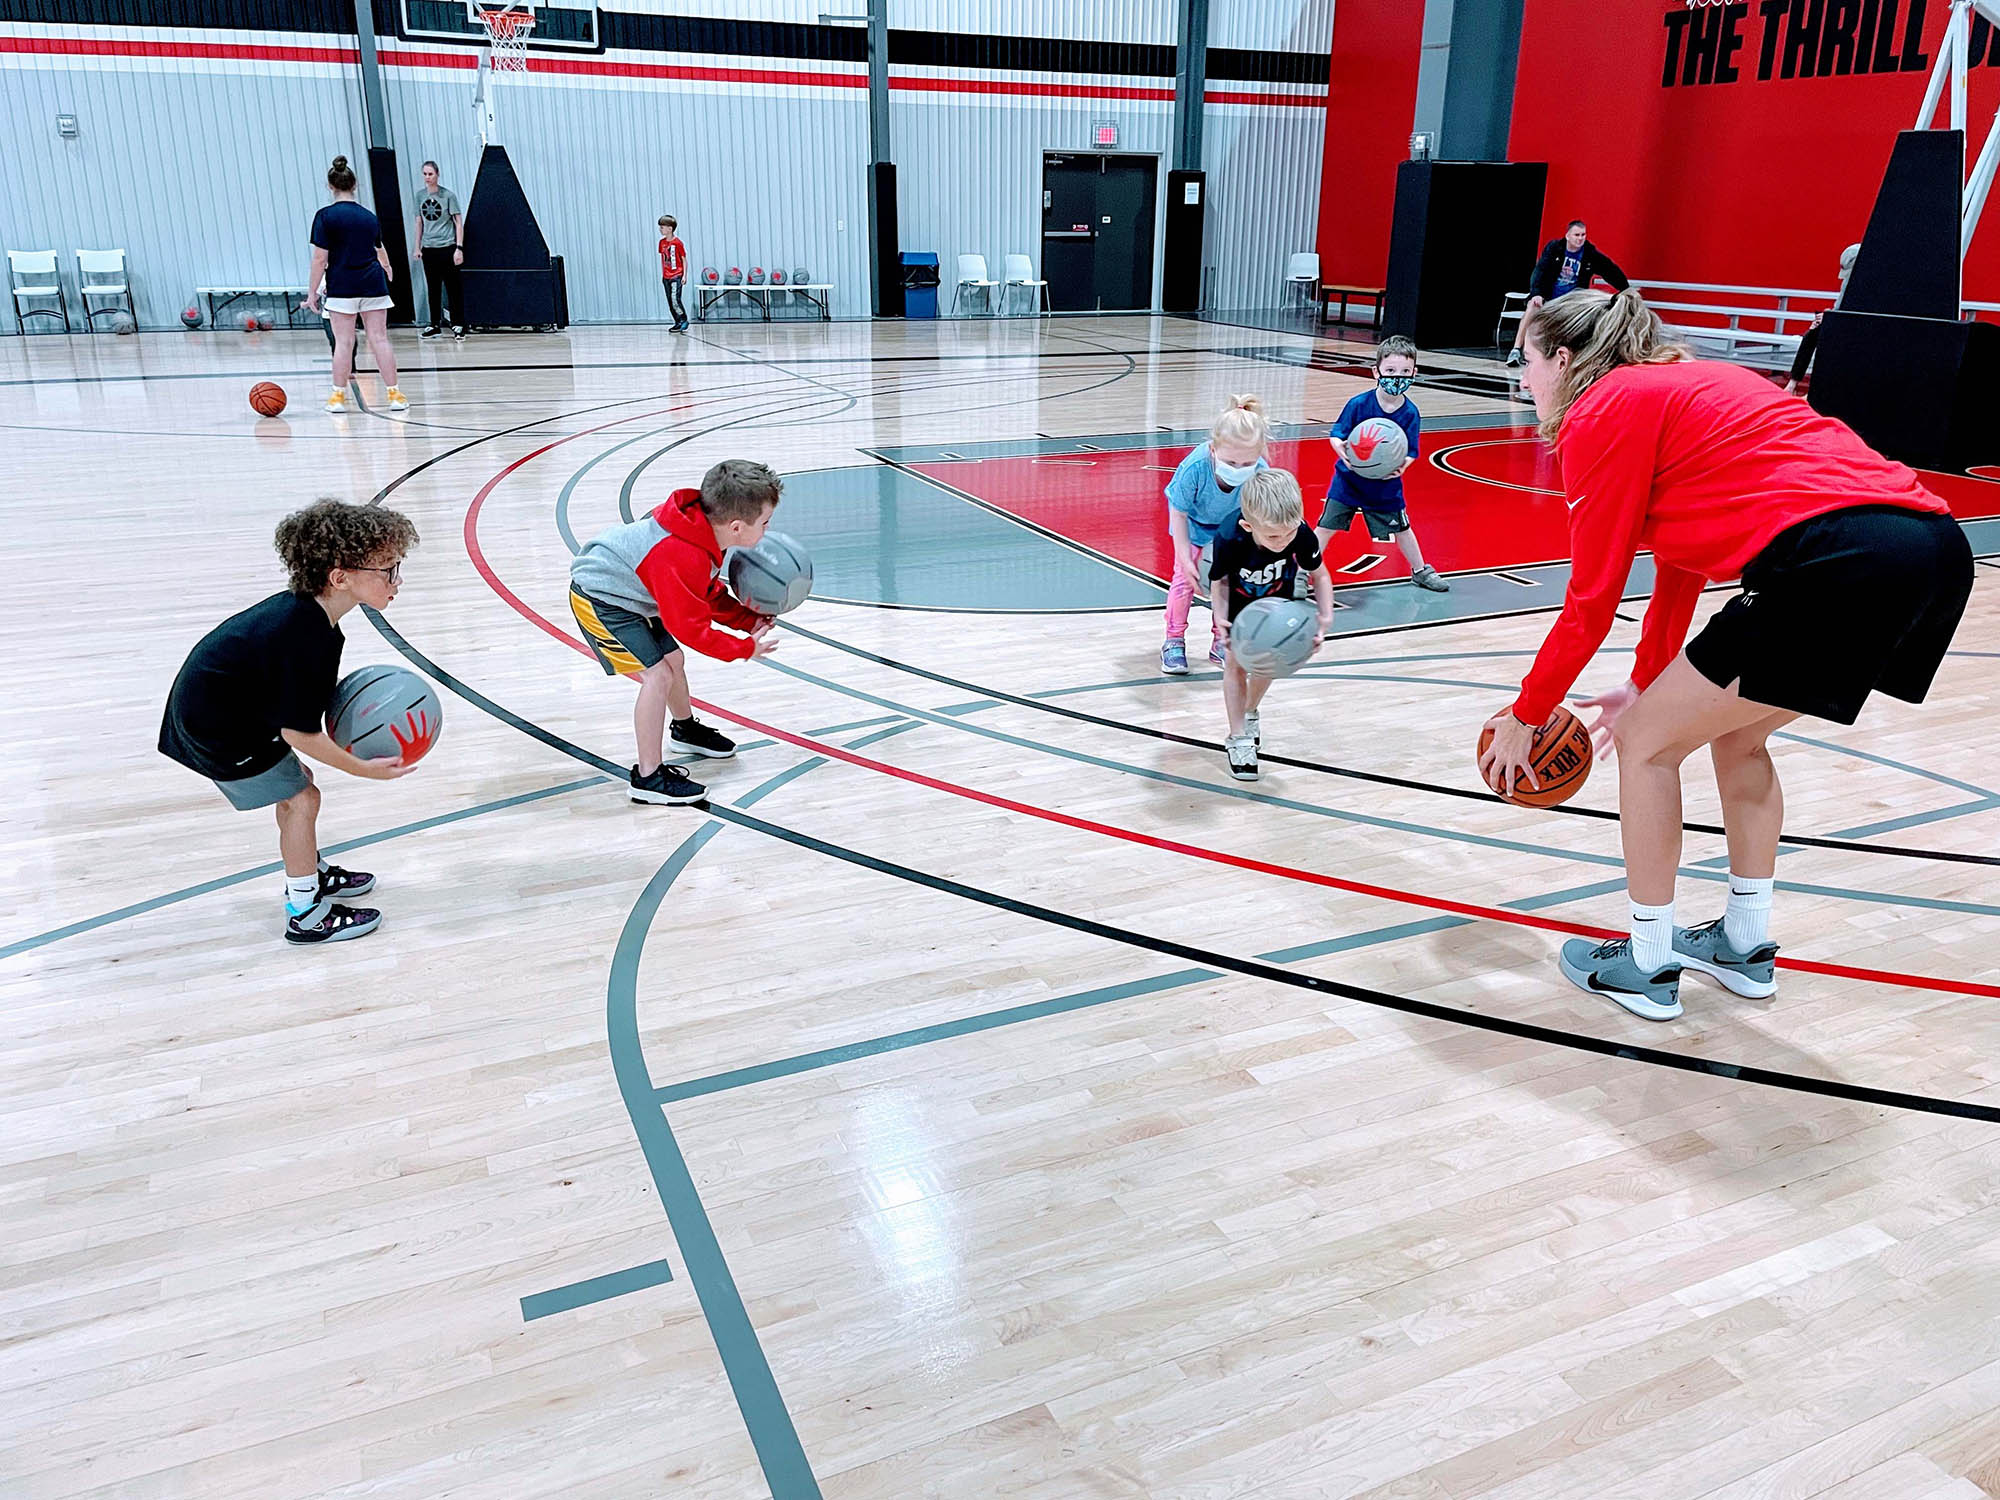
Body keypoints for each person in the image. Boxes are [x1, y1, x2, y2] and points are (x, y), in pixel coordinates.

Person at [1479, 289, 1972, 1021]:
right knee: (1737, 736)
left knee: (1646, 748)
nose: (1522, 379)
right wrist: (1645, 683)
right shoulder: (1687, 384)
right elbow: (1679, 565)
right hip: (1932, 550)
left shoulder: (1601, 409)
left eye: (1525, 360)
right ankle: (1743, 944)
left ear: (1564, 358)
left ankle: (1648, 961)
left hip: (1839, 556)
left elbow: (1591, 600)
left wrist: (1529, 713)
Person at [159, 500, 421, 945]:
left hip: (235, 713)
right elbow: (300, 732)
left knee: (300, 784)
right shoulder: (303, 635)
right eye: (388, 570)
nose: (397, 580)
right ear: (340, 577)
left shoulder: (312, 618)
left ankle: (309, 872)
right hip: (219, 729)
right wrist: (364, 769)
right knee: (302, 799)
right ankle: (306, 912)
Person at [568, 458, 781, 805]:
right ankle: (648, 777)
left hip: (634, 595)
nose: (767, 530)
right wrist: (743, 648)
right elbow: (691, 628)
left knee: (673, 661)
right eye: (765, 523)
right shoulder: (681, 553)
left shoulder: (702, 530)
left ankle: (684, 730)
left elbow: (705, 593)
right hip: (601, 599)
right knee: (658, 675)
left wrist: (747, 620)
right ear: (737, 526)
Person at [1209, 469, 1335, 781]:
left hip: (1279, 606)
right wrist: (1220, 617)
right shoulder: (1229, 537)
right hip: (1240, 607)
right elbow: (1220, 581)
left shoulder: (1300, 532)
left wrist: (1325, 617)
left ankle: (1250, 710)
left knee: (1269, 665)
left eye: (1290, 533)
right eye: (1274, 537)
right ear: (1248, 526)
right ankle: (1238, 737)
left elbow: (1320, 576)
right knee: (1235, 665)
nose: (1284, 541)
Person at [1318, 335, 1449, 592]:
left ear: (1414, 373)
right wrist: (1340, 449)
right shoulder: (1358, 404)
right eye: (1390, 371)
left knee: (1402, 528)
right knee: (1325, 527)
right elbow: (1337, 434)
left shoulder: (1410, 413)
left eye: (1405, 372)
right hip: (1348, 481)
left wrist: (1403, 465)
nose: (1397, 377)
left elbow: (1411, 451)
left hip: (1385, 485)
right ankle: (1302, 570)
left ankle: (1420, 571)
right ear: (1376, 372)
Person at [1162, 394, 1270, 675]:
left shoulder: (1261, 471)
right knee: (1184, 581)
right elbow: (1179, 512)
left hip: (1233, 528)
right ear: (1213, 449)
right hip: (1193, 525)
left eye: (1246, 463)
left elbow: (1263, 512)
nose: (1238, 469)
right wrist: (1185, 557)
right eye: (1231, 462)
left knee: (1232, 583)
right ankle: (1174, 640)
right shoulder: (1195, 467)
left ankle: (1221, 641)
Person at [304, 155, 406, 414]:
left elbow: (320, 259)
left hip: (342, 285)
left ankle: (338, 398)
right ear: (355, 185)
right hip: (372, 283)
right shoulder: (368, 216)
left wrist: (312, 292)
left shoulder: (325, 217)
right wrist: (387, 267)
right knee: (379, 339)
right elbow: (379, 248)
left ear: (330, 186)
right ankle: (395, 395)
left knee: (344, 343)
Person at [1507, 219, 1629, 366]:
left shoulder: (1589, 253)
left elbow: (1610, 270)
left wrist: (1625, 289)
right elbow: (1540, 271)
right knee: (1533, 306)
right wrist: (1537, 293)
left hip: (1572, 301)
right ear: (1568, 236)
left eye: (1583, 235)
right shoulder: (1554, 249)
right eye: (1577, 235)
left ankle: (1583, 357)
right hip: (1549, 297)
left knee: (1590, 315)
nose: (1580, 238)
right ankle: (1516, 350)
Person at [1783, 243, 1861, 394]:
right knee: (1812, 334)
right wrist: (1827, 316)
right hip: (1842, 322)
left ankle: (1817, 390)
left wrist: (1830, 317)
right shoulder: (1847, 282)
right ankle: (1792, 385)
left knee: (1829, 342)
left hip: (1858, 326)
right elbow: (1840, 307)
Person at [412, 160, 465, 340]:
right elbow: (419, 222)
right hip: (429, 249)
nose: (427, 177)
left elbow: (458, 222)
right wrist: (417, 247)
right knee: (433, 288)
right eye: (425, 174)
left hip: (448, 247)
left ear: (437, 174)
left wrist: (459, 248)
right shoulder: (420, 196)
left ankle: (458, 324)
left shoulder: (448, 196)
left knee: (453, 288)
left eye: (430, 174)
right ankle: (434, 324)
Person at [659, 214, 689, 333]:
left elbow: (684, 259)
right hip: (666, 277)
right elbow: (663, 259)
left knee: (675, 299)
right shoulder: (661, 243)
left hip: (676, 276)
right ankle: (677, 322)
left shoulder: (678, 243)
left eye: (662, 227)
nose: (660, 229)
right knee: (670, 301)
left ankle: (683, 319)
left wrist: (684, 275)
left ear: (670, 228)